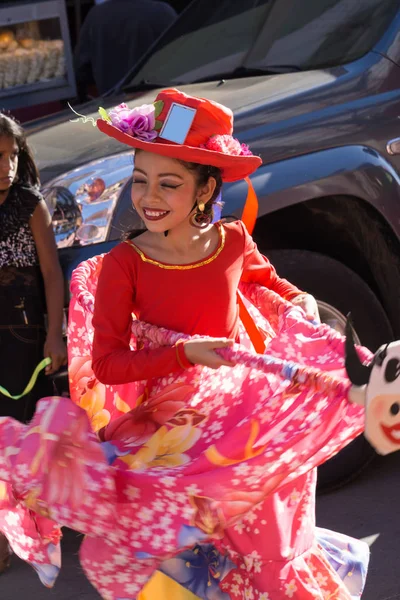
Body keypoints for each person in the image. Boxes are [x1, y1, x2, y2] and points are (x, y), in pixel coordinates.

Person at [0, 89, 374, 599]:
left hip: (239, 406)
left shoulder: (233, 241)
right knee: (162, 554)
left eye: (169, 183)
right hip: (170, 426)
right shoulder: (124, 265)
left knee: (265, 543)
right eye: (140, 180)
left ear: (204, 190)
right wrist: (184, 352)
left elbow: (266, 284)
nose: (149, 197)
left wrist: (299, 300)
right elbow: (107, 364)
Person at [0, 113, 67, 574]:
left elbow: (50, 274)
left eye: (11, 155)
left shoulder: (28, 203)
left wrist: (53, 335)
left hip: (23, 335)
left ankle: (36, 525)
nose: (5, 164)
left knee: (25, 431)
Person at [74, 0, 177, 97]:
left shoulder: (96, 16)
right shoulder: (161, 11)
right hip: (158, 102)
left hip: (113, 105)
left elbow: (81, 70)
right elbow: (185, 59)